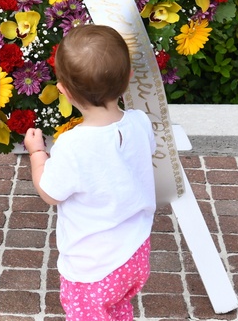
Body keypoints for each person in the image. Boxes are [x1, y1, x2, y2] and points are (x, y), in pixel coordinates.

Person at [24, 24, 157, 321]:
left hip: (93, 267)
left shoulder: (73, 145)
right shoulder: (140, 122)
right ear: (128, 79)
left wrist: (37, 153)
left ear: (64, 92)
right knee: (118, 307)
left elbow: (49, 192)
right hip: (135, 253)